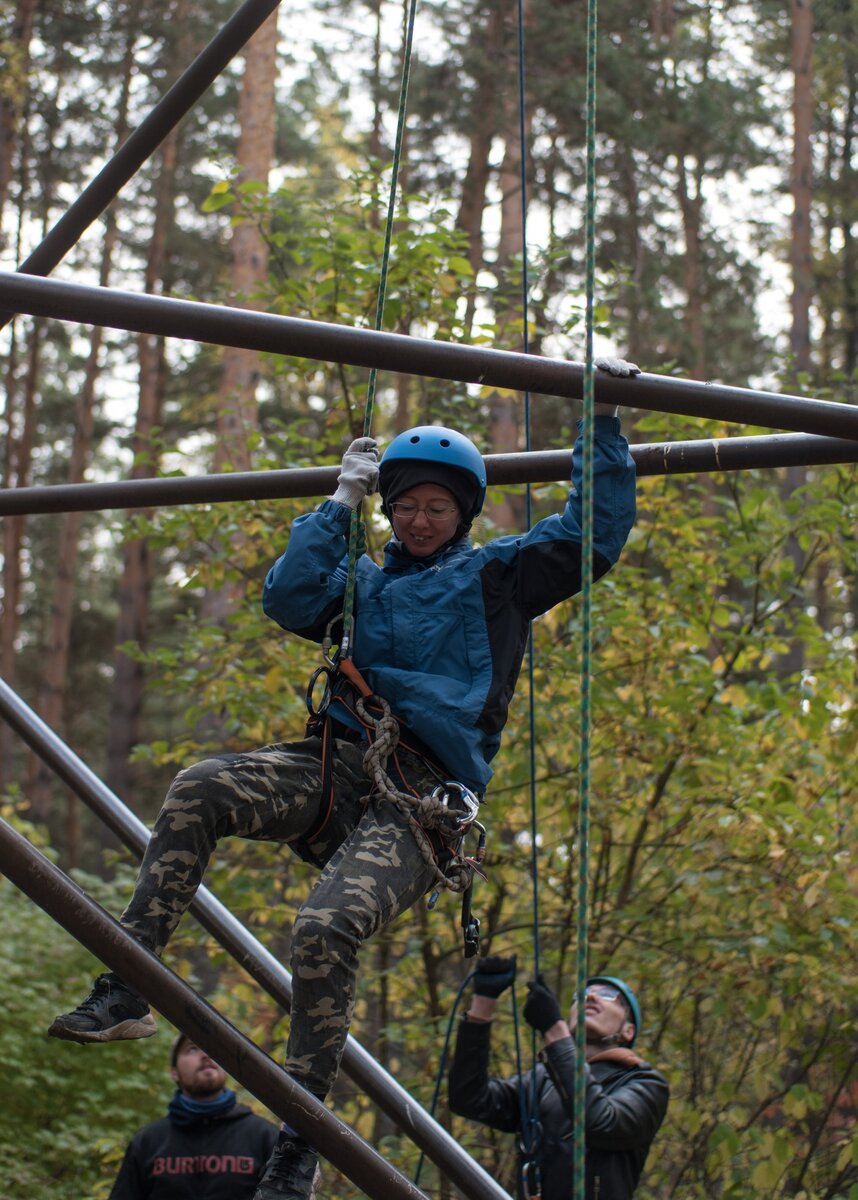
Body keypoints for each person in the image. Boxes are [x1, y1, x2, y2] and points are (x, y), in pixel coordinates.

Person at [48, 360, 638, 1200]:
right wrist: (336, 504)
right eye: (405, 505)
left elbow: (594, 539)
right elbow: (289, 601)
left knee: (325, 928)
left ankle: (300, 1138)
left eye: (437, 506)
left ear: (464, 513)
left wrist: (602, 422)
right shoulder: (357, 581)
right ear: (388, 509)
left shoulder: (498, 577)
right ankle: (128, 985)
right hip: (334, 768)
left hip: (421, 801)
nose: (421, 519)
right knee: (199, 785)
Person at [448, 958, 670, 1199]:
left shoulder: (645, 1084)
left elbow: (601, 1123)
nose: (590, 997)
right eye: (582, 994)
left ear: (628, 1030)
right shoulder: (543, 1079)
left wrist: (554, 1030)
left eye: (607, 994)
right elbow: (469, 1098)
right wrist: (483, 1005)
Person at [109, 1033, 279, 1199]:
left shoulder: (265, 1136)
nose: (206, 1055)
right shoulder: (147, 1142)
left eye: (213, 1049)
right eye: (192, 1049)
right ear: (174, 1072)